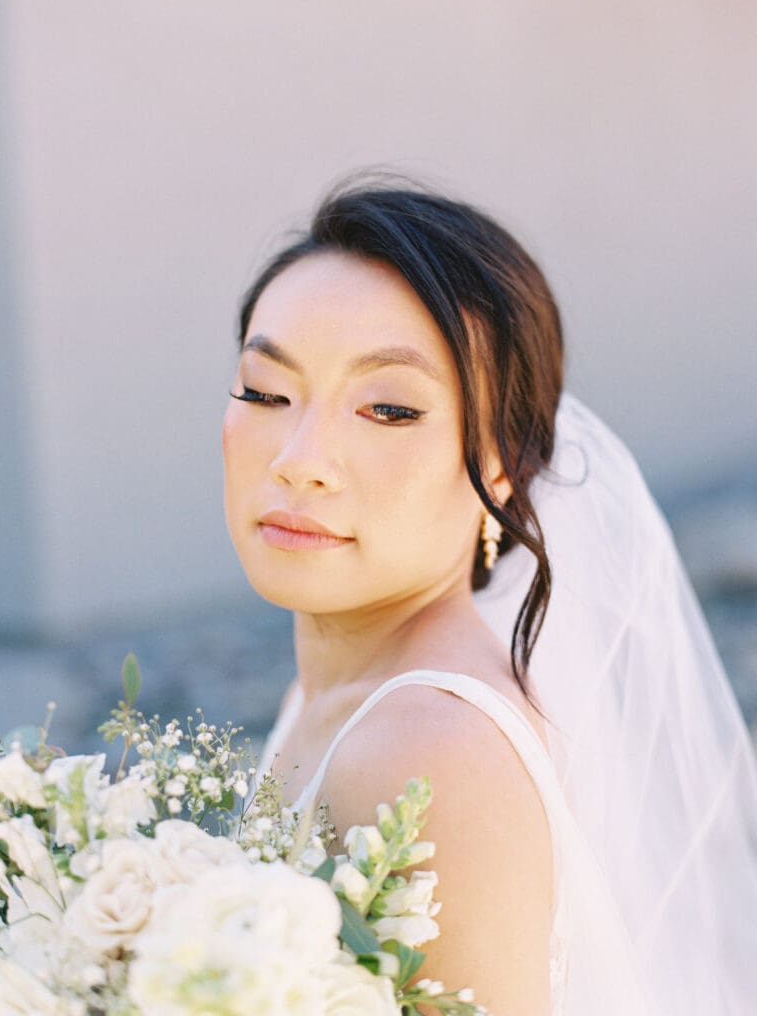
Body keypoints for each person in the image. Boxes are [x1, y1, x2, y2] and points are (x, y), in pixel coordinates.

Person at [222, 177, 757, 1015]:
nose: (300, 456)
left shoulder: (433, 750)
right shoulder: (343, 687)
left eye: (389, 408)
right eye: (264, 391)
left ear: (501, 463)